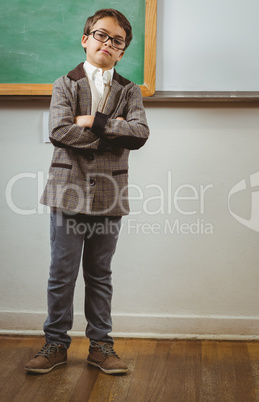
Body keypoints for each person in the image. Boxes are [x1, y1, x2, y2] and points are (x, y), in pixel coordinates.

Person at [24, 8, 149, 375]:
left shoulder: (130, 90)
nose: (107, 43)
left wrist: (92, 120)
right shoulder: (65, 84)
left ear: (123, 51)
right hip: (67, 192)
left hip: (110, 195)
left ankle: (100, 345)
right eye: (101, 35)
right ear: (86, 38)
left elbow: (140, 134)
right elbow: (59, 131)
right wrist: (114, 129)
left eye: (117, 40)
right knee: (61, 272)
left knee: (100, 274)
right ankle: (55, 344)